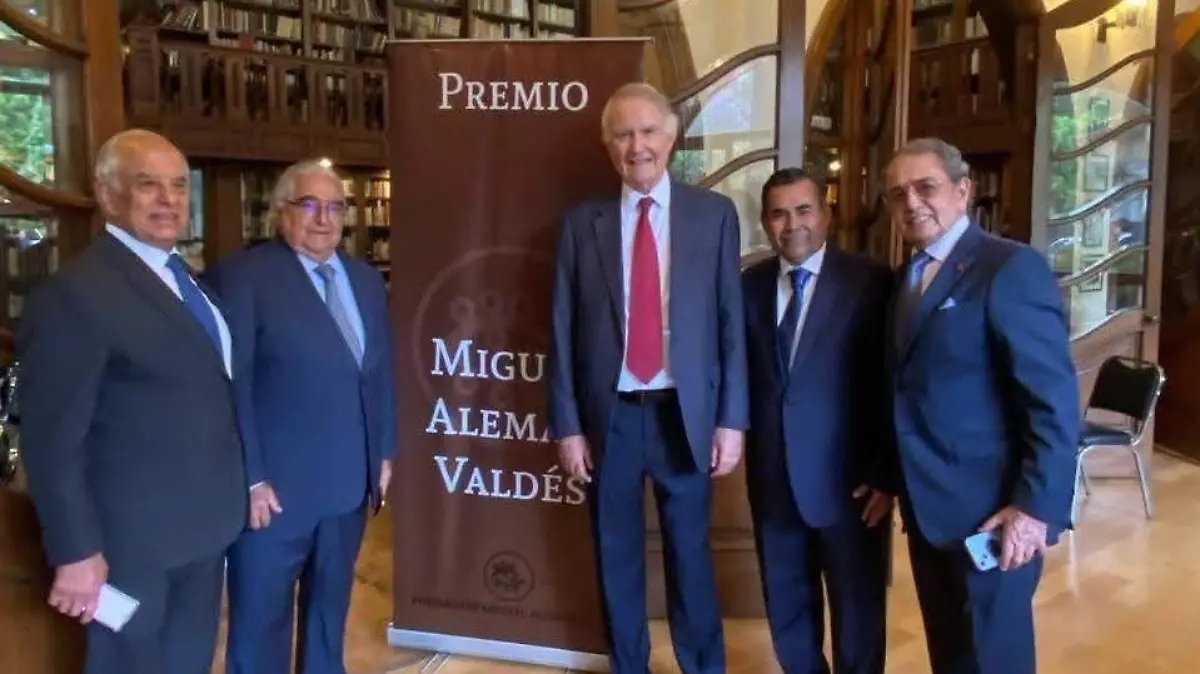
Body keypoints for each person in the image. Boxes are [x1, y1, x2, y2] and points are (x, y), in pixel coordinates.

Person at [14, 129, 246, 674]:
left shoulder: (187, 281)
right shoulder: (74, 296)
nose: (169, 200)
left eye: (178, 186)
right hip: (128, 547)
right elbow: (51, 441)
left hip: (203, 531)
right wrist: (75, 550)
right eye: (148, 185)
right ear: (107, 194)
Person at [547, 82, 749, 674]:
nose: (637, 146)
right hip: (608, 416)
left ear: (672, 135)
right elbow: (561, 329)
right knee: (616, 556)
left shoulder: (713, 216)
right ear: (608, 145)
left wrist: (731, 420)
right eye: (623, 134)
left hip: (683, 416)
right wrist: (568, 426)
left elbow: (730, 322)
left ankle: (702, 667)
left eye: (648, 131)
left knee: (691, 556)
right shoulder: (580, 224)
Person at [881, 137, 1079, 674]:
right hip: (928, 511)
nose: (911, 203)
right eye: (898, 194)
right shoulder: (905, 279)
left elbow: (1053, 402)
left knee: (995, 659)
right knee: (951, 654)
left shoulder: (1008, 268)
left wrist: (1034, 510)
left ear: (963, 191)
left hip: (995, 515)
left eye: (925, 187)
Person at [206, 160, 397, 674]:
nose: (324, 219)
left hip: (348, 490)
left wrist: (383, 451)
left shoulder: (365, 280)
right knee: (261, 624)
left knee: (327, 618)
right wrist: (251, 477)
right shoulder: (242, 277)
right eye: (309, 205)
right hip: (274, 496)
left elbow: (379, 372)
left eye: (335, 207)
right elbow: (232, 384)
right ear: (280, 212)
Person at [741, 168, 893, 674]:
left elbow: (891, 383)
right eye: (779, 214)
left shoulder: (871, 282)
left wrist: (885, 473)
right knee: (788, 610)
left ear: (826, 215)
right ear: (765, 223)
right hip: (773, 480)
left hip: (851, 485)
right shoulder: (748, 286)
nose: (792, 225)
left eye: (803, 210)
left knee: (858, 614)